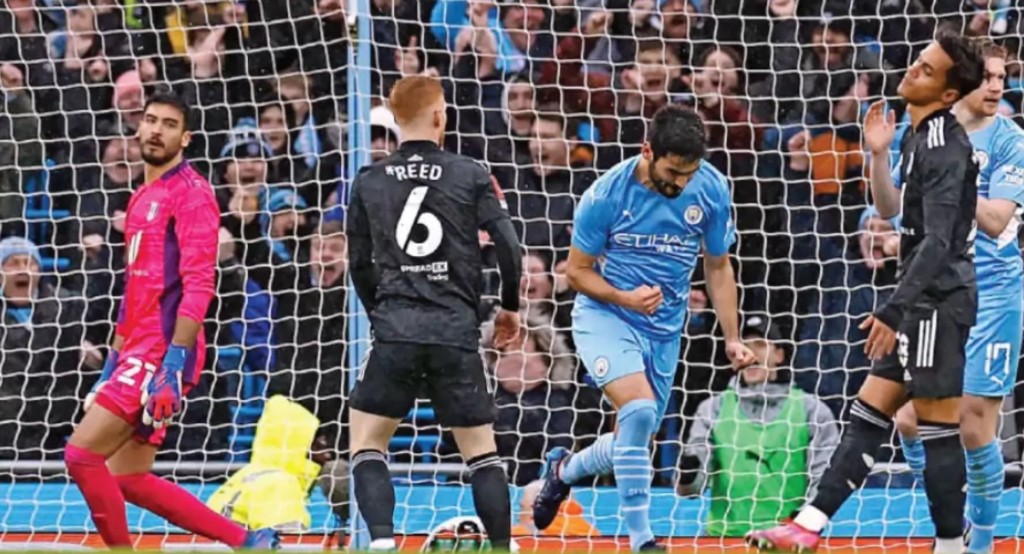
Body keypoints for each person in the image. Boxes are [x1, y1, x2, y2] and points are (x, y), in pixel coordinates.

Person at [747, 30, 986, 554]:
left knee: (937, 426)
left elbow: (939, 241)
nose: (913, 70)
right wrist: (878, 155)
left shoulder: (945, 145)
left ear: (949, 94)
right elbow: (887, 211)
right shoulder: (915, 134)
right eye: (918, 61)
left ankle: (951, 543)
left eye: (927, 69)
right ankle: (807, 526)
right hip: (921, 301)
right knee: (867, 413)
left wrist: (895, 309)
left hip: (938, 303)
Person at [531, 104, 757, 552]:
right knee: (637, 412)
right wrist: (624, 297)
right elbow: (576, 272)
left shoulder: (710, 189)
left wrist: (732, 337)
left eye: (689, 174)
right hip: (605, 315)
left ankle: (563, 471)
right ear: (647, 150)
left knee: (633, 434)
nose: (680, 184)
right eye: (673, 172)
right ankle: (642, 541)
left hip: (663, 328)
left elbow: (717, 265)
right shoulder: (606, 194)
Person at [63, 91, 278, 550]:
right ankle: (247, 541)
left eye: (169, 123)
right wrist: (110, 366)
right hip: (136, 348)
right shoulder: (141, 197)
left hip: (163, 347)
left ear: (186, 138)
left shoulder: (193, 193)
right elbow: (133, 291)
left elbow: (200, 284)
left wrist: (174, 362)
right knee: (126, 476)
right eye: (150, 120)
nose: (156, 130)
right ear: (138, 128)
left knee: (81, 455)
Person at [345, 75, 524, 552]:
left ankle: (382, 542)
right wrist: (508, 307)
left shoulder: (368, 180)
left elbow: (358, 264)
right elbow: (508, 245)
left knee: (366, 443)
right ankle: (503, 547)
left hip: (397, 328)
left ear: (395, 119)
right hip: (454, 330)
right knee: (481, 453)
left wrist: (382, 314)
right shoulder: (470, 172)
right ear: (441, 116)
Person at [892, 39, 1024, 554]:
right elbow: (895, 206)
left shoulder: (1010, 140)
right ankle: (949, 520)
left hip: (993, 291)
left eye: (1002, 78)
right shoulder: (925, 131)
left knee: (972, 422)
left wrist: (954, 183)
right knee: (908, 419)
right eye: (988, 77)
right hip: (935, 290)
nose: (996, 86)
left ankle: (981, 542)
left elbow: (996, 222)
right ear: (963, 86)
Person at [676, 316, 839, 538]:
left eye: (760, 345)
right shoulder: (712, 409)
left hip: (783, 544)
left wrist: (800, 531)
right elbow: (691, 491)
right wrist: (688, 473)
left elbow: (822, 482)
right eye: (745, 346)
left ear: (779, 355)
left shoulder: (813, 411)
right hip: (723, 540)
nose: (751, 354)